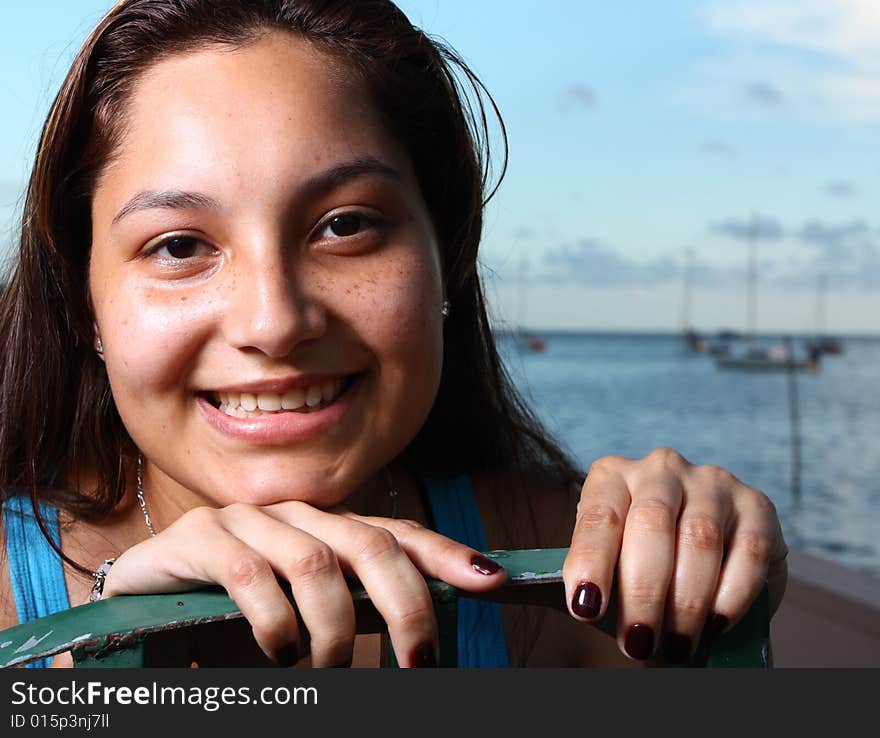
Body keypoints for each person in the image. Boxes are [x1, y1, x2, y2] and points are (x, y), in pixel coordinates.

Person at [0, 0, 787, 669]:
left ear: (448, 256)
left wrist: (708, 617)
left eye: (345, 226)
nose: (273, 322)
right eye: (179, 246)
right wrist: (105, 654)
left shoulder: (558, 573)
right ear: (83, 304)